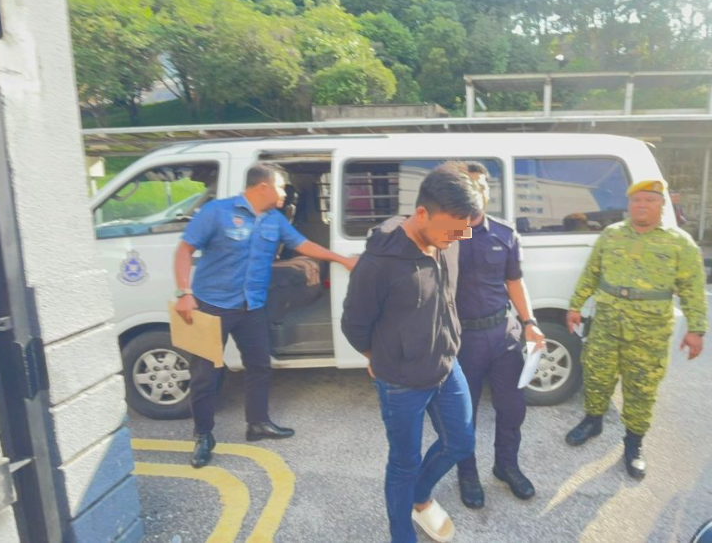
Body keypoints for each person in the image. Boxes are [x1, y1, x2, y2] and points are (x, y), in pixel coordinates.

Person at [173, 162, 357, 468]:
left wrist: (341, 259)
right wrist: (184, 292)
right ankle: (203, 436)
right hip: (212, 306)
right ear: (263, 187)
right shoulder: (217, 212)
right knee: (206, 376)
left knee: (259, 366)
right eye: (282, 186)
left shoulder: (274, 220)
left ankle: (257, 423)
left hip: (252, 306)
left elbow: (302, 244)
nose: (285, 192)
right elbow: (184, 250)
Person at [341, 166, 483, 543]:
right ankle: (402, 534)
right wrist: (378, 356)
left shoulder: (446, 239)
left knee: (460, 442)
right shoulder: (378, 263)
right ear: (422, 213)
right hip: (401, 382)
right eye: (452, 230)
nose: (458, 238)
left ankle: (420, 497)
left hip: (446, 366)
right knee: (404, 462)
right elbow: (354, 325)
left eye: (463, 230)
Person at [563, 179, 706, 480]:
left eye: (649, 200)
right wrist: (576, 305)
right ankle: (593, 420)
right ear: (629, 204)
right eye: (636, 200)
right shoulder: (611, 234)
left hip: (649, 330)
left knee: (641, 387)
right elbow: (592, 273)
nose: (642, 205)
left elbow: (693, 289)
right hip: (607, 322)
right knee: (596, 375)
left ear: (662, 204)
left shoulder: (679, 242)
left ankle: (634, 442)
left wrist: (696, 329)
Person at [451, 162, 545, 509]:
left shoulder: (505, 234)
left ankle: (506, 465)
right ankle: (467, 473)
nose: (478, 191)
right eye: (470, 184)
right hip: (462, 341)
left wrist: (530, 322)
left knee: (512, 408)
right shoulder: (445, 236)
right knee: (464, 414)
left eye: (483, 185)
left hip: (503, 335)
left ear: (489, 192)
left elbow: (514, 282)